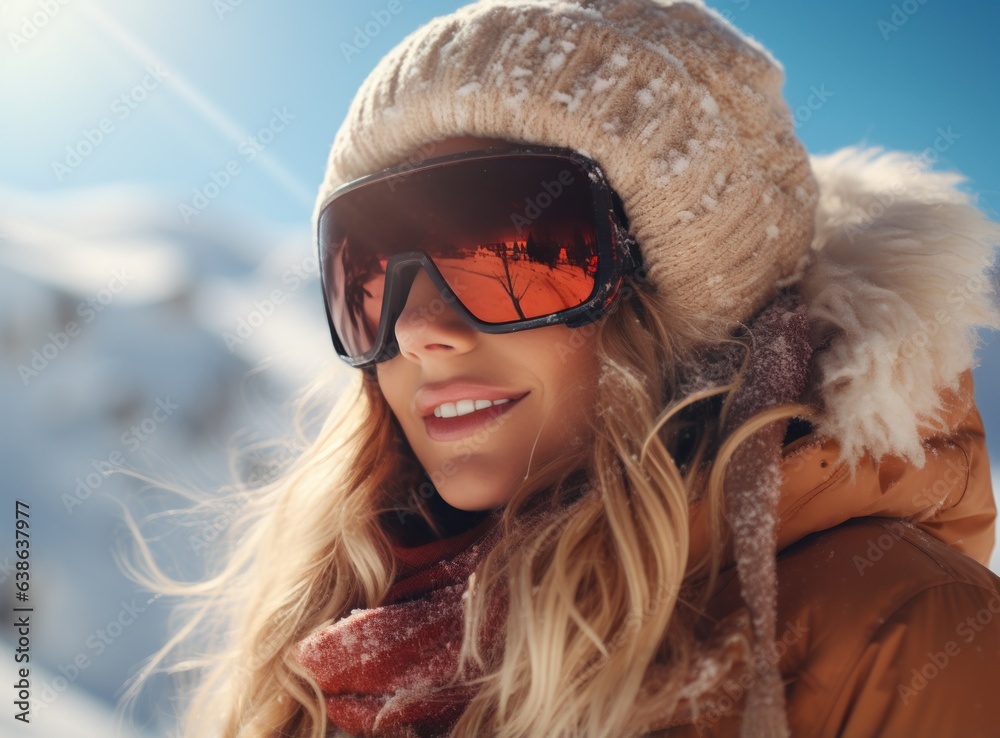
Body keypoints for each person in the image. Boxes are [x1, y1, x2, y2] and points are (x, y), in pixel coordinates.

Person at [131, 1, 1000, 736]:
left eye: (511, 250)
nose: (421, 332)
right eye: (367, 273)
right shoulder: (347, 641)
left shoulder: (908, 633)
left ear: (675, 298)